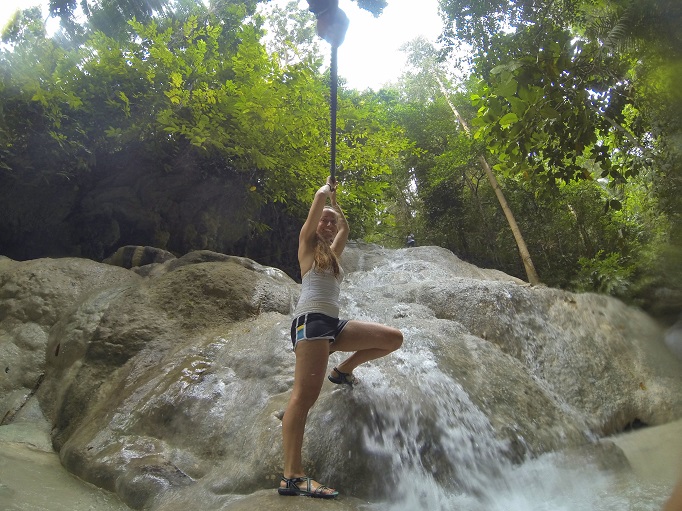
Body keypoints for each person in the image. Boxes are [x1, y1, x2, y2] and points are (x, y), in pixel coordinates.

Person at [278, 176, 403, 499]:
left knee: (392, 339)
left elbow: (345, 229)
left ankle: (343, 370)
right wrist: (322, 192)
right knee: (303, 398)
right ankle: (292, 475)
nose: (330, 225)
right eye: (325, 220)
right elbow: (312, 219)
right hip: (311, 323)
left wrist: (337, 204)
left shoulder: (332, 254)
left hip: (332, 325)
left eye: (331, 222)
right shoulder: (306, 244)